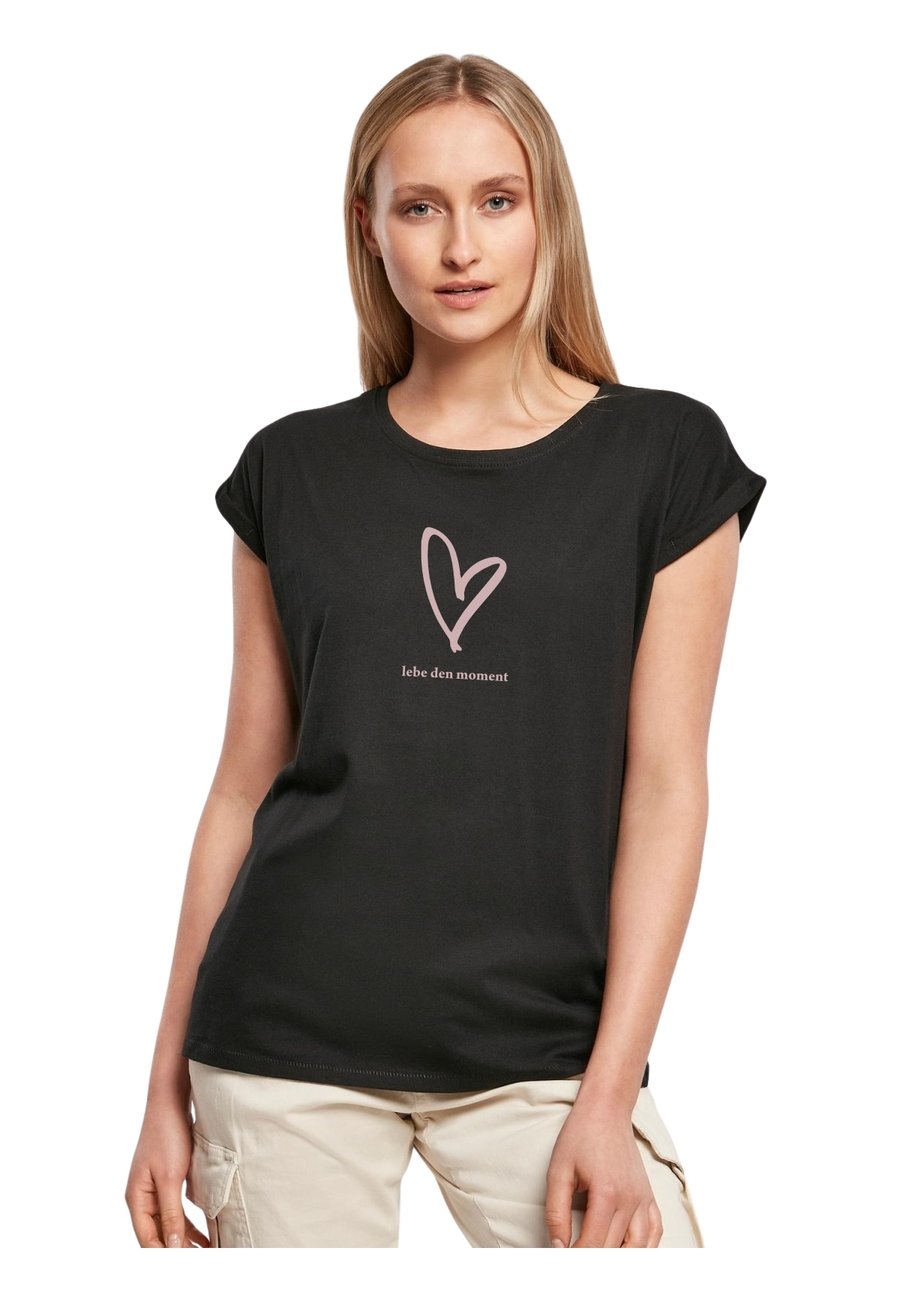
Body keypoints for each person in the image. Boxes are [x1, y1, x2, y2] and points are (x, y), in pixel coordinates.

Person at [125, 51, 767, 1249]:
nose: (461, 247)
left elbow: (667, 787)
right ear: (368, 227)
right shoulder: (292, 469)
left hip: (545, 1052)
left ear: (546, 214)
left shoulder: (666, 461)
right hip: (283, 1041)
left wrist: (608, 1098)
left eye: (497, 201)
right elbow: (243, 786)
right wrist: (163, 1086)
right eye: (420, 207)